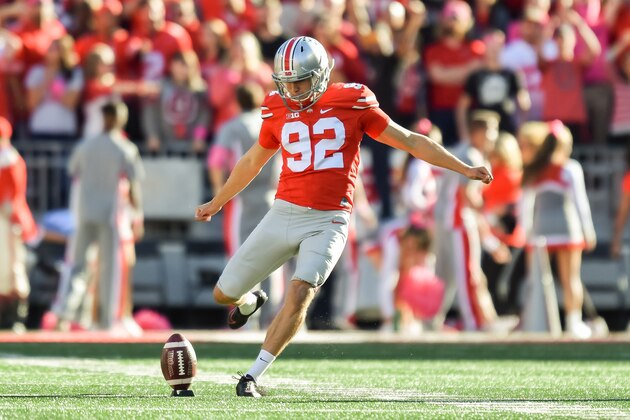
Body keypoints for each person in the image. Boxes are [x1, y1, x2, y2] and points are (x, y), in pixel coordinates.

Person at [195, 36, 493, 397]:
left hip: (329, 219)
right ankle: (249, 300)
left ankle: (253, 375)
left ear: (321, 76)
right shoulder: (277, 106)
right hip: (284, 211)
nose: (292, 90)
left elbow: (412, 140)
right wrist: (219, 201)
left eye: (300, 82)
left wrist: (463, 168)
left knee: (300, 291)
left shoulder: (352, 102)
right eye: (286, 83)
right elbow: (253, 160)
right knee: (223, 294)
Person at [51, 101, 140, 331]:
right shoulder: (124, 148)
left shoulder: (87, 145)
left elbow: (73, 172)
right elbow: (133, 185)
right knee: (110, 268)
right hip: (110, 215)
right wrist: (137, 215)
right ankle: (107, 319)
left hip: (85, 212)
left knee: (77, 264)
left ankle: (65, 313)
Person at [207, 82, 281, 328]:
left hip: (242, 199)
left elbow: (216, 160)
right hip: (273, 197)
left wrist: (220, 193)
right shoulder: (271, 123)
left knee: (241, 257)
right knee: (274, 258)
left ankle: (247, 316)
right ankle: (273, 316)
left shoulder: (232, 127)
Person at [432, 111, 511, 332]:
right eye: (491, 130)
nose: (494, 136)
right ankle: (472, 322)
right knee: (467, 273)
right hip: (458, 220)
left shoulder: (466, 152)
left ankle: (432, 322)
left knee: (446, 276)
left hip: (448, 220)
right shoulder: (471, 155)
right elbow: (465, 194)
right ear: (479, 131)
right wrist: (490, 211)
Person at [519, 120, 596, 339]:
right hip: (567, 229)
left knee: (535, 278)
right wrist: (588, 231)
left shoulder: (534, 168)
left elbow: (525, 205)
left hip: (540, 231)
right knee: (571, 278)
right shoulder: (570, 168)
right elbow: (580, 202)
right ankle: (574, 324)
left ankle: (535, 322)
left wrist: (525, 232)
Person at [0, 117, 38, 332]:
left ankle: (16, 318)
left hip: (10, 220)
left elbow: (12, 197)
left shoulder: (9, 159)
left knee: (14, 268)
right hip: (3, 219)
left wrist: (13, 221)